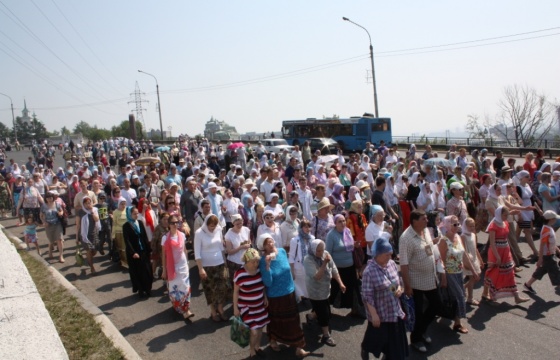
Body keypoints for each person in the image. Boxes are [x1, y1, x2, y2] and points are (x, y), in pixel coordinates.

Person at [257, 234, 309, 358]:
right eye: (267, 243)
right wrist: (268, 266)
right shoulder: (263, 260)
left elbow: (288, 272)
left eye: (271, 241)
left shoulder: (281, 252)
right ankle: (273, 340)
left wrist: (295, 291)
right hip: (275, 297)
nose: (270, 244)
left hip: (289, 293)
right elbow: (267, 282)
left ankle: (298, 347)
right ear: (263, 247)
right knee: (276, 322)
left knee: (294, 322)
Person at [399, 209, 440, 353]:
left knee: (436, 305)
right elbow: (404, 264)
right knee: (418, 312)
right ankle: (416, 339)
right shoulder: (406, 238)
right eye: (423, 219)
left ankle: (421, 330)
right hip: (415, 281)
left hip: (430, 278)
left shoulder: (426, 231)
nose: (427, 220)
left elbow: (428, 248)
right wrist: (407, 286)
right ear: (414, 221)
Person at [360, 237, 408, 360]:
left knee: (394, 345)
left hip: (394, 310)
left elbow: (397, 282)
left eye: (390, 254)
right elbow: (367, 295)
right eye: (386, 255)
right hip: (380, 314)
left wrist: (399, 289)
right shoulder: (369, 272)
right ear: (378, 254)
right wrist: (374, 314)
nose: (389, 257)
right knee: (376, 339)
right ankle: (365, 349)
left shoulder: (391, 264)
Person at [481, 206, 529, 304]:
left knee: (510, 272)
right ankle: (486, 293)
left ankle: (516, 296)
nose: (506, 217)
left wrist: (509, 252)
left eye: (507, 215)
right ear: (500, 214)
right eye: (505, 215)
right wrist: (497, 256)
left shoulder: (505, 223)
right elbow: (492, 243)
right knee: (493, 272)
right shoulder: (493, 225)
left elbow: (506, 238)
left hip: (505, 250)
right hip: (496, 251)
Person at [438, 215, 478, 334]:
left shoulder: (457, 237)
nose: (457, 226)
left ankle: (454, 319)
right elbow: (442, 262)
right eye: (454, 224)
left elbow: (464, 255)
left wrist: (473, 270)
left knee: (456, 297)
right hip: (449, 273)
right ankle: (458, 323)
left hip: (459, 272)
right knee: (459, 296)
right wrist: (444, 278)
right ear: (447, 225)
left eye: (458, 224)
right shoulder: (443, 241)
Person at [304, 239, 344, 347]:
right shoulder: (308, 259)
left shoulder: (326, 254)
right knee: (324, 313)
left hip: (326, 289)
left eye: (322, 250)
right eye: (318, 251)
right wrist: (324, 263)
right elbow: (317, 276)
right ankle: (326, 335)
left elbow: (334, 269)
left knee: (322, 309)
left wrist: (340, 283)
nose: (321, 253)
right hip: (315, 291)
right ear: (313, 250)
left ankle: (311, 316)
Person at [233, 248, 270, 359]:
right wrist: (235, 308)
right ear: (246, 261)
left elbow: (262, 285)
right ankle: (252, 350)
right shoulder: (239, 273)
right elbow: (235, 292)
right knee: (254, 331)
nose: (256, 264)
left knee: (260, 328)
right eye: (253, 262)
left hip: (259, 305)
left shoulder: (259, 270)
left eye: (257, 261)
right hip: (246, 307)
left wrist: (264, 296)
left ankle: (257, 347)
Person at [194, 214, 229, 322]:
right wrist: (200, 269)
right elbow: (197, 253)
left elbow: (221, 247)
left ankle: (220, 308)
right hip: (207, 266)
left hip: (220, 263)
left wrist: (225, 263)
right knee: (210, 289)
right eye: (210, 226)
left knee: (223, 288)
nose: (212, 228)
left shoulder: (218, 229)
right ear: (206, 224)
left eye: (214, 225)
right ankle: (213, 310)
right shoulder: (199, 233)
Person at [325, 214, 361, 317]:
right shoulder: (331, 235)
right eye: (340, 221)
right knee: (333, 290)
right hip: (338, 269)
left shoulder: (347, 231)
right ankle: (320, 312)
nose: (343, 223)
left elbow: (349, 245)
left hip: (350, 266)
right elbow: (328, 253)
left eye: (344, 221)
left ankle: (355, 310)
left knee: (353, 289)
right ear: (335, 223)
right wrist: (330, 269)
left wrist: (355, 244)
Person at [162, 214, 194, 319]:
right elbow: (164, 255)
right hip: (172, 267)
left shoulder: (182, 235)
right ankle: (178, 307)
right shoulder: (165, 238)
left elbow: (184, 250)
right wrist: (164, 270)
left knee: (185, 287)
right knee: (175, 288)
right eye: (172, 223)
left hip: (182, 264)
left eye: (176, 222)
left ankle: (186, 309)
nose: (175, 225)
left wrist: (187, 262)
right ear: (169, 225)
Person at [523, 210, 560, 294]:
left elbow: (551, 243)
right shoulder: (546, 231)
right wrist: (540, 258)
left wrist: (558, 250)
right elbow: (542, 245)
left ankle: (528, 284)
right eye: (555, 219)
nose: (556, 220)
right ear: (551, 220)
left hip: (550, 253)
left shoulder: (549, 228)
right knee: (556, 271)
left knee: (542, 270)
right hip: (548, 255)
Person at [123, 206, 153, 297]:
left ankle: (148, 288)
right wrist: (133, 252)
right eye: (134, 214)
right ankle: (140, 289)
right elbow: (127, 241)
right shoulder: (126, 226)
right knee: (138, 272)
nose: (136, 215)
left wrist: (149, 249)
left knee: (147, 270)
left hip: (143, 250)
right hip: (135, 253)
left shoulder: (140, 223)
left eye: (137, 213)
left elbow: (144, 236)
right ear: (129, 214)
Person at [461, 217, 484, 306]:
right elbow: (463, 250)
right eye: (470, 226)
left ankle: (463, 288)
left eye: (473, 226)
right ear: (465, 226)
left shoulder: (473, 234)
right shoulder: (463, 236)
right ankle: (470, 298)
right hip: (468, 260)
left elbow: (476, 248)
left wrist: (480, 260)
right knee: (473, 277)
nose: (472, 228)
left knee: (475, 277)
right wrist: (467, 261)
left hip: (475, 259)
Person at [225, 214, 251, 288]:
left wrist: (248, 245)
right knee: (237, 283)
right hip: (235, 262)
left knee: (246, 282)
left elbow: (249, 241)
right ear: (233, 223)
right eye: (237, 224)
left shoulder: (246, 230)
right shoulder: (229, 235)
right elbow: (229, 251)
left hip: (245, 260)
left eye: (241, 223)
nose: (240, 225)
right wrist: (241, 247)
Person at [40, 192, 65, 263]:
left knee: (59, 239)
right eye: (48, 198)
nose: (50, 199)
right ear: (46, 199)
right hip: (48, 225)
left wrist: (61, 213)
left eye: (51, 198)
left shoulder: (57, 204)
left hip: (57, 224)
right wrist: (44, 222)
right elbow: (41, 215)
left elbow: (61, 210)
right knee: (51, 241)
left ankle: (61, 255)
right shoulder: (43, 206)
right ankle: (50, 251)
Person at [79, 196, 100, 273]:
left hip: (93, 234)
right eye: (86, 204)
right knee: (89, 250)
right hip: (84, 235)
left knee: (94, 251)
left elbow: (97, 219)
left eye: (89, 203)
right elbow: (78, 224)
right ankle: (92, 267)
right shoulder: (81, 211)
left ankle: (88, 257)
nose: (88, 205)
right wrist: (76, 238)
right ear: (83, 204)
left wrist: (92, 212)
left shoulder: (94, 210)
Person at [112, 197, 129, 267]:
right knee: (121, 248)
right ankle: (123, 261)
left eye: (124, 204)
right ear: (119, 204)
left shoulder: (127, 210)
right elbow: (114, 223)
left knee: (127, 248)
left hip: (126, 232)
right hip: (119, 232)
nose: (123, 206)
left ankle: (127, 261)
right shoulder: (115, 212)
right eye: (122, 204)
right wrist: (113, 235)